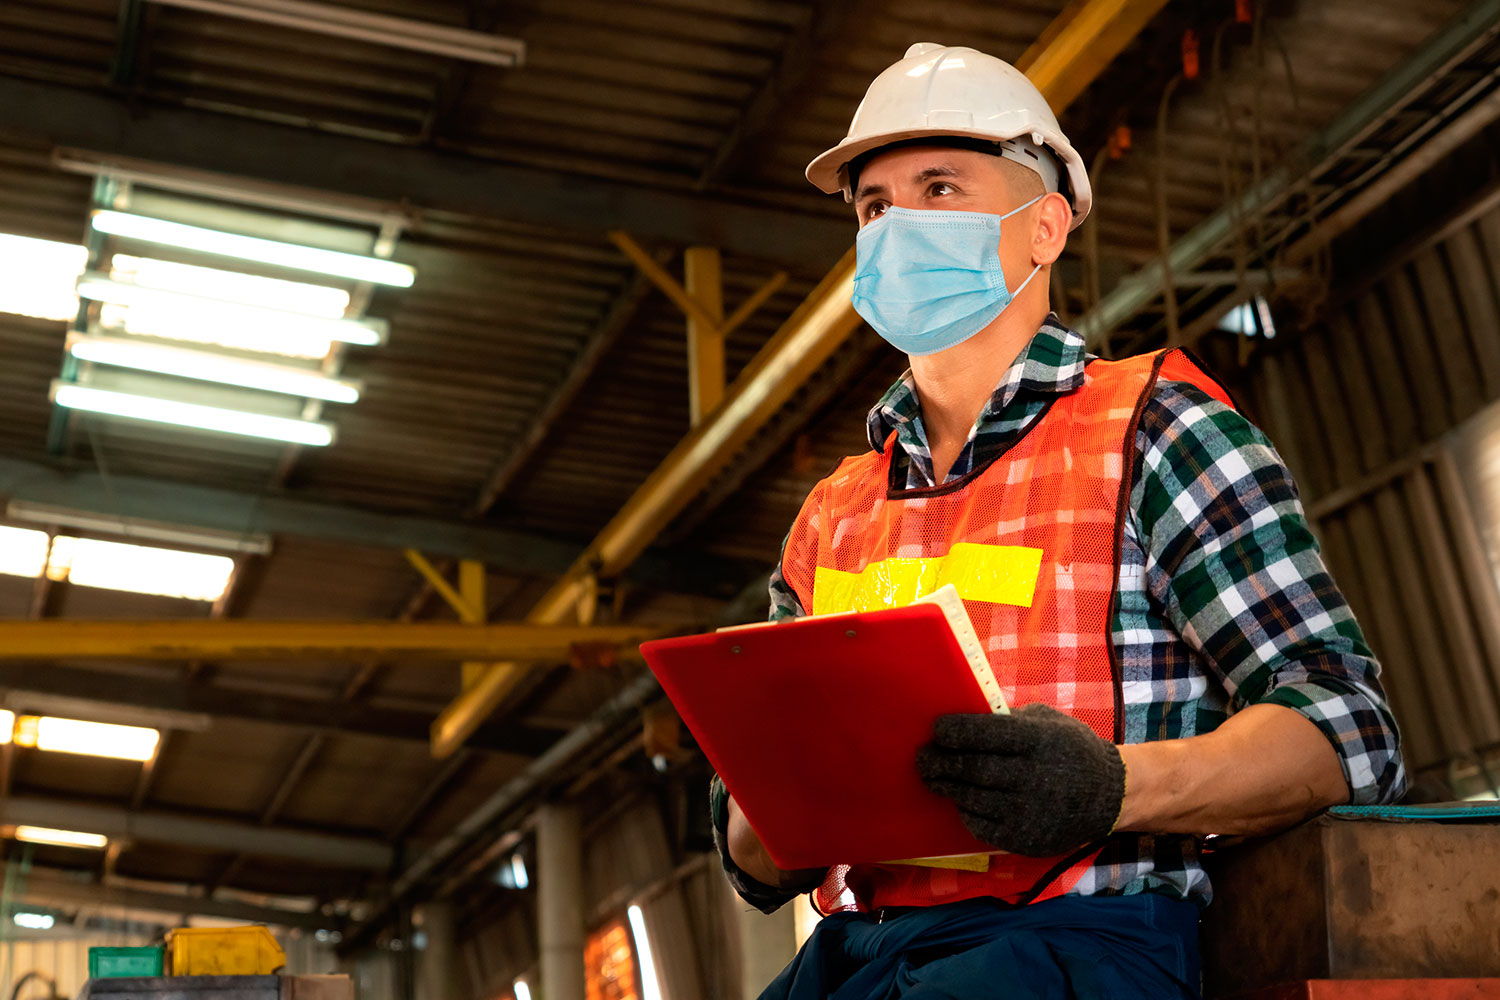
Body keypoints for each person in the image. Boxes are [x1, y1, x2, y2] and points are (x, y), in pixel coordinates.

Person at [707, 42, 1404, 999]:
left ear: (1044, 228)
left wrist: (1111, 788)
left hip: (1086, 946)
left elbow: (1351, 729)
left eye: (940, 186)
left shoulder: (1156, 431)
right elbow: (756, 846)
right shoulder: (836, 514)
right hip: (866, 955)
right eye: (873, 205)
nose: (897, 224)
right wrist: (767, 807)